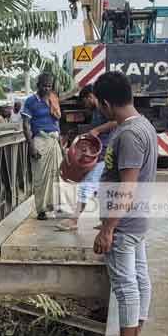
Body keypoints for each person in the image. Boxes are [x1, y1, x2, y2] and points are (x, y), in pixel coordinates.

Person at [90, 71, 158, 336]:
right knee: (140, 279)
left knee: (125, 286)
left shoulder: (129, 136)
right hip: (136, 222)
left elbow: (126, 189)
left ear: (106, 103)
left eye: (99, 106)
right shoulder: (142, 126)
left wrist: (108, 229)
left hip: (124, 224)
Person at [58, 84, 115, 231]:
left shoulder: (104, 108)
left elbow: (116, 121)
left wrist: (97, 130)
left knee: (86, 185)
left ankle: (74, 220)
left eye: (85, 101)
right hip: (98, 153)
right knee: (102, 188)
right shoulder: (96, 111)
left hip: (105, 153)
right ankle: (105, 221)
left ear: (90, 97)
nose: (85, 105)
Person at [22, 73, 64, 220]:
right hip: (39, 140)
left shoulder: (53, 100)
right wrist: (31, 146)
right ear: (38, 85)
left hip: (54, 140)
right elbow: (26, 125)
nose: (47, 89)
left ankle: (54, 206)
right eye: (44, 85)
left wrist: (61, 145)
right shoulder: (30, 102)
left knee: (56, 174)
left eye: (49, 86)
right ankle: (41, 210)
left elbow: (57, 123)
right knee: (40, 176)